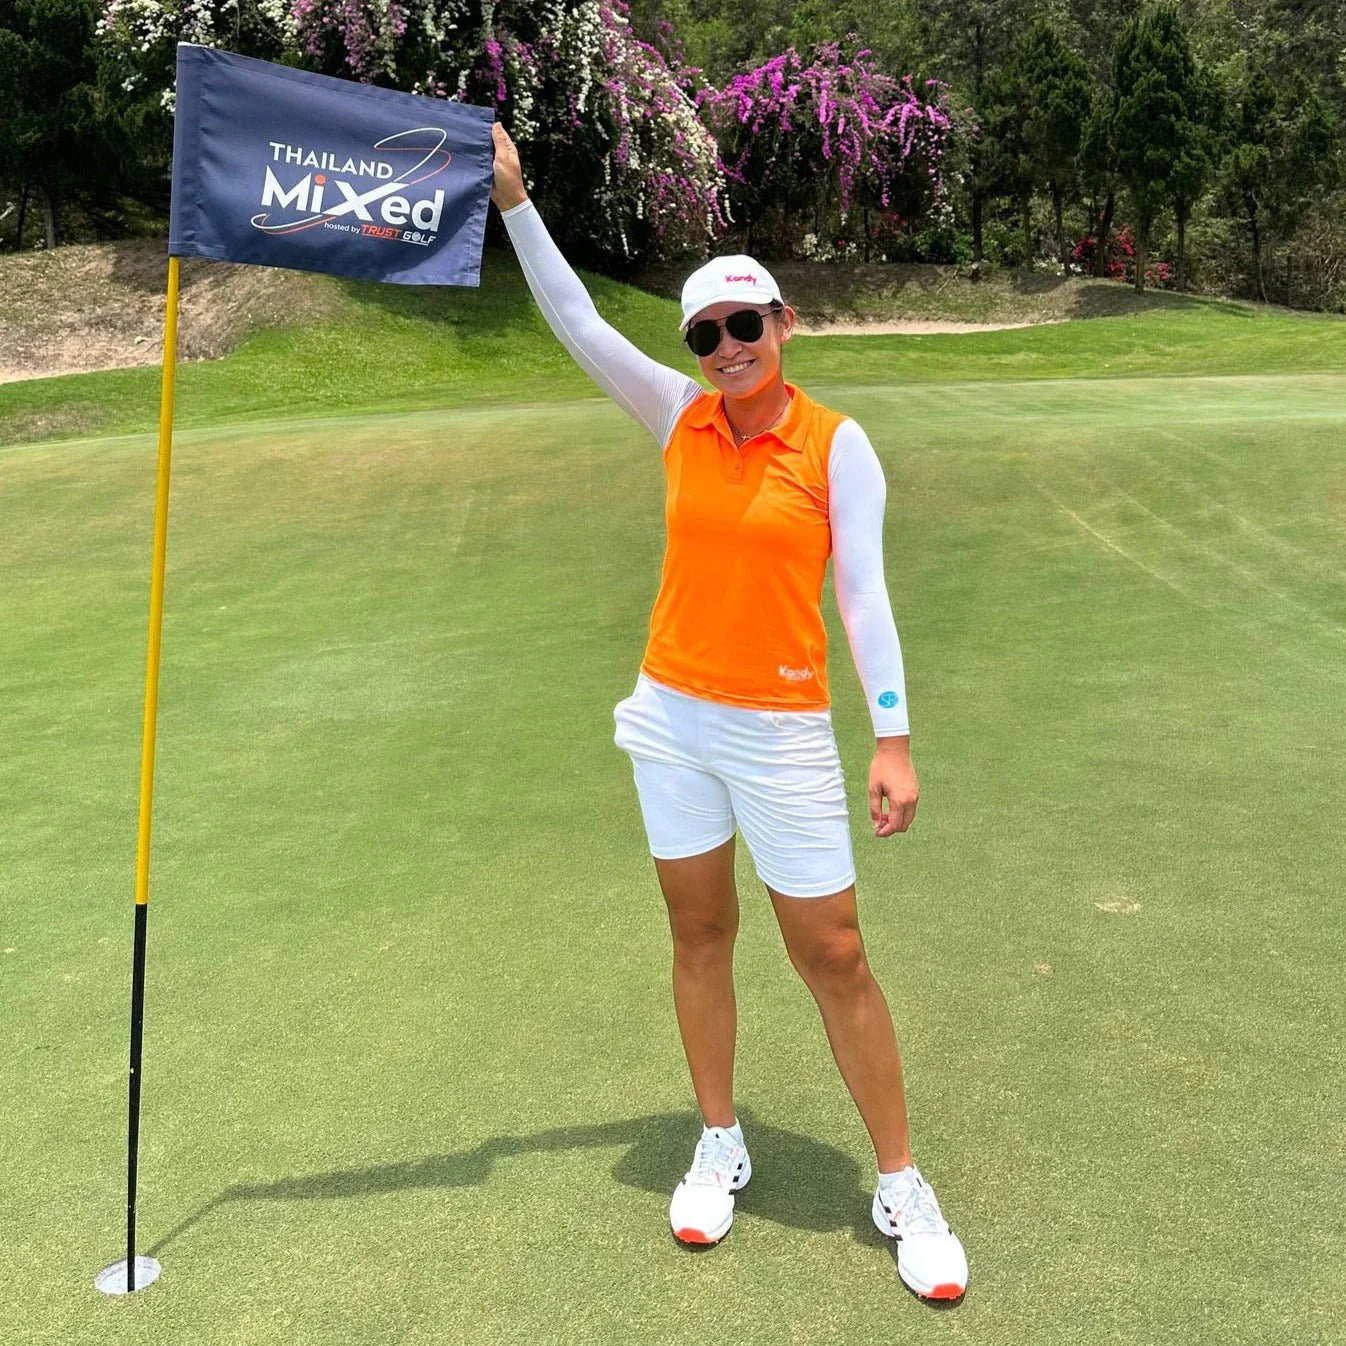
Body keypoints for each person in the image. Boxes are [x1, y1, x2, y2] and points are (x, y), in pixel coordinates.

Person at [489, 122, 967, 1302]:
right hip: (671, 722)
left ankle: (900, 1178)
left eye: (742, 325)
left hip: (784, 732)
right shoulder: (678, 418)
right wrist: (513, 203)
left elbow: (859, 592)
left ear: (781, 326)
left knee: (834, 952)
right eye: (704, 333)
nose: (724, 348)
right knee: (697, 932)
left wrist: (892, 732)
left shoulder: (834, 446)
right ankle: (719, 1137)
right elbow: (577, 324)